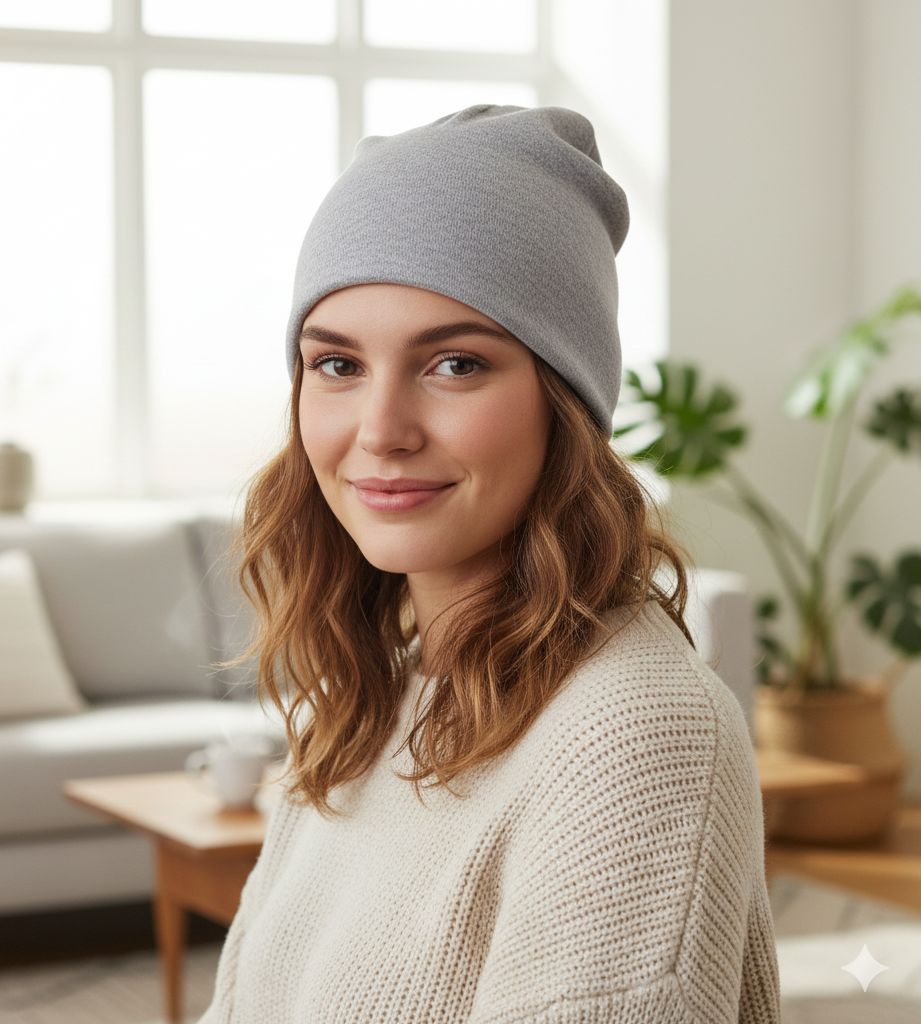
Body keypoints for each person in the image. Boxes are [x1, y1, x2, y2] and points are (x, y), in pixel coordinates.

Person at [199, 105, 780, 1024]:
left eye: (456, 363)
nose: (380, 431)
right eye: (338, 365)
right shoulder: (371, 695)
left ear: (565, 401)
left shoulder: (637, 739)